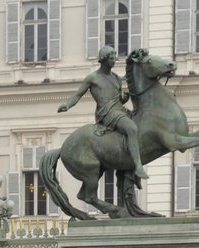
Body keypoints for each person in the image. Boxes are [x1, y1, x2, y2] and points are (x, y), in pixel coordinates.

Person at [57, 47, 145, 179]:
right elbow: (78, 95)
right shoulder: (93, 78)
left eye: (115, 58)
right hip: (107, 113)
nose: (114, 61)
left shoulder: (116, 78)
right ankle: (138, 166)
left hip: (120, 110)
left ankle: (128, 166)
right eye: (111, 58)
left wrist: (124, 97)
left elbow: (119, 98)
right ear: (103, 59)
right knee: (131, 129)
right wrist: (67, 105)